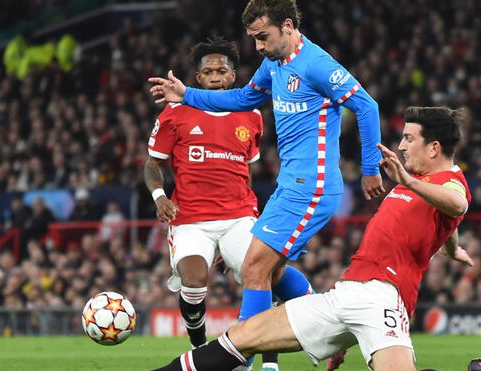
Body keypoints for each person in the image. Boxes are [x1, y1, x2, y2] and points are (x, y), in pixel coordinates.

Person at [150, 107, 477, 371]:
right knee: (241, 337)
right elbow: (449, 221)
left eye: (409, 138)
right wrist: (453, 247)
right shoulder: (422, 183)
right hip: (343, 295)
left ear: (434, 147)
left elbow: (457, 203)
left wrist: (407, 180)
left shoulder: (447, 181)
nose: (402, 146)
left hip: (383, 297)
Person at [149, 2, 384, 368]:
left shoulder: (317, 64)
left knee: (256, 268)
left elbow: (366, 106)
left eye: (262, 37)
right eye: (254, 39)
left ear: (288, 27)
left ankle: (240, 359)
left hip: (314, 185)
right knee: (270, 272)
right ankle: (335, 330)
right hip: (288, 186)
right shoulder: (274, 63)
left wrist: (371, 168)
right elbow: (244, 98)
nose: (257, 46)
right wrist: (188, 95)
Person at [143, 36, 266, 363]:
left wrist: (250, 216)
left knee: (261, 276)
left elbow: (248, 173)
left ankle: (263, 359)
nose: (215, 75)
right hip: (190, 219)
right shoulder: (175, 113)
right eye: (208, 71)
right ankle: (200, 349)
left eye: (221, 70)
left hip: (239, 217)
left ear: (232, 76)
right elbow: (153, 163)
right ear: (197, 79)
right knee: (194, 283)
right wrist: (159, 197)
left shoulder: (251, 115)